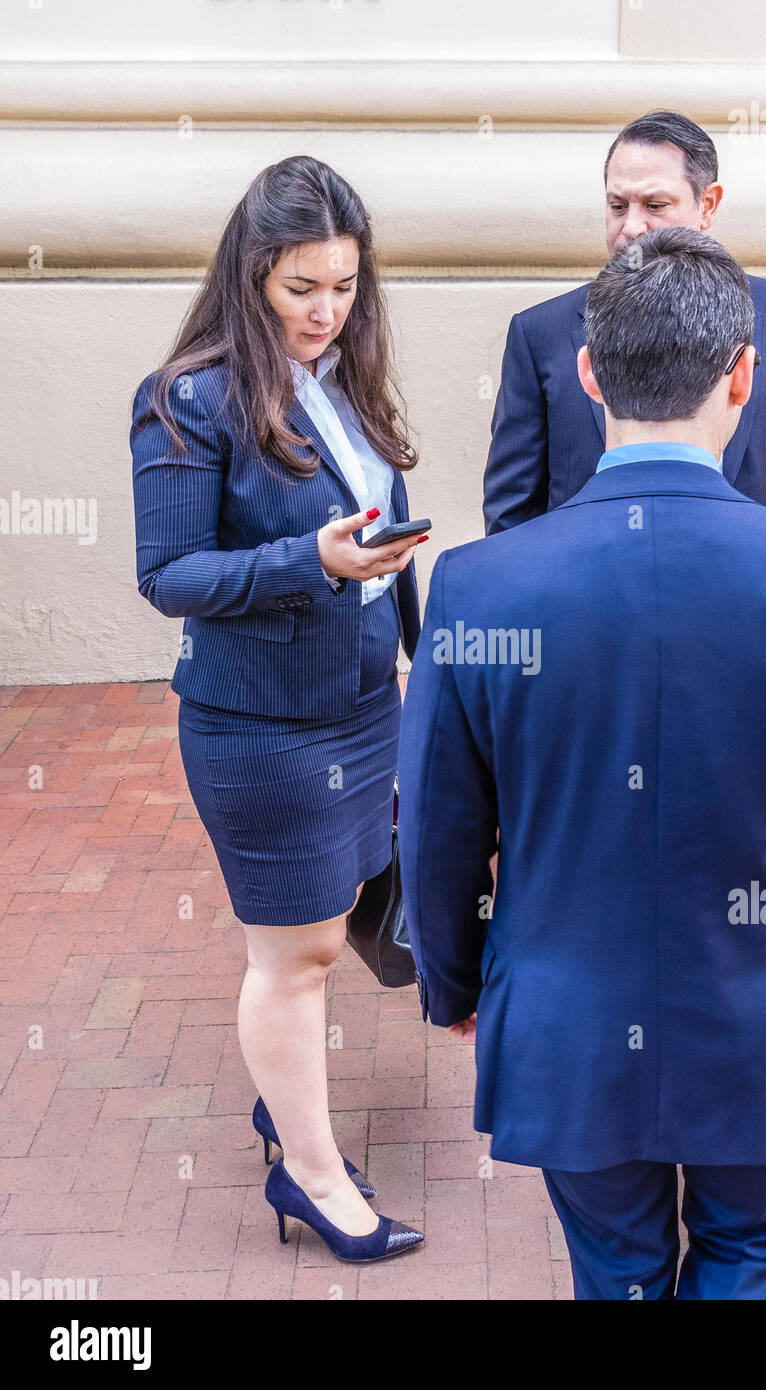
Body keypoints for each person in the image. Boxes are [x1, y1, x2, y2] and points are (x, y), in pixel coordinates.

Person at [399, 226, 766, 1300]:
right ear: (744, 375)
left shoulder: (480, 586)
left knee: (621, 1271)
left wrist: (454, 982)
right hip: (763, 1022)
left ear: (589, 374)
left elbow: (438, 828)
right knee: (750, 1261)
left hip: (568, 1020)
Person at [131, 155, 424, 1263]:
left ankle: (283, 1105)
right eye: (304, 286)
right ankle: (310, 1175)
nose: (327, 308)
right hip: (259, 730)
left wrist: (409, 639)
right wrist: (315, 559)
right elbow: (170, 577)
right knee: (293, 951)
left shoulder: (341, 374)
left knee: (336, 910)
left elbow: (371, 527)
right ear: (253, 274)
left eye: (345, 285)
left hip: (360, 706)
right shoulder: (185, 399)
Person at [483, 110, 766, 534]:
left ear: (707, 204)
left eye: (655, 205)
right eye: (618, 206)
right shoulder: (538, 332)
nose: (631, 227)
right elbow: (511, 519)